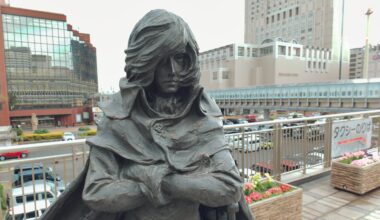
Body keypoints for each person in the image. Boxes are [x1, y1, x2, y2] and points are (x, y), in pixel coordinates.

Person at [40, 9, 253, 220]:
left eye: (178, 58)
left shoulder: (201, 114)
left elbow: (230, 186)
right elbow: (97, 192)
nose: (172, 70)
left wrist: (157, 180)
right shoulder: (118, 117)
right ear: (145, 60)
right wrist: (168, 186)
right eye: (162, 60)